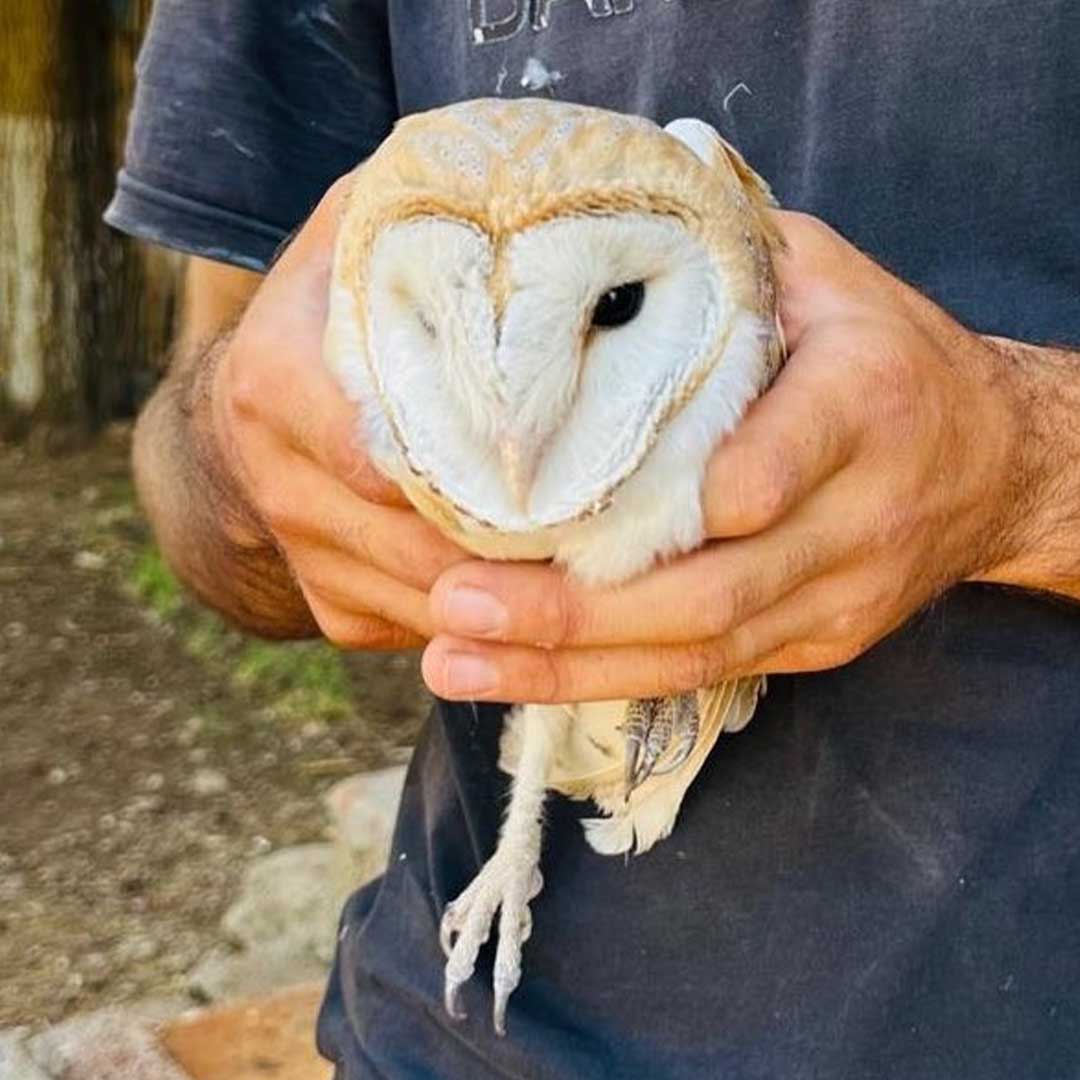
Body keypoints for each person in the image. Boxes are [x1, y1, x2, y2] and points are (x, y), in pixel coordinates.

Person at [106, 2, 1080, 1076]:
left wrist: (1027, 468)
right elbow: (205, 435)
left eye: (618, 308)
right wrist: (244, 472)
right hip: (463, 1026)